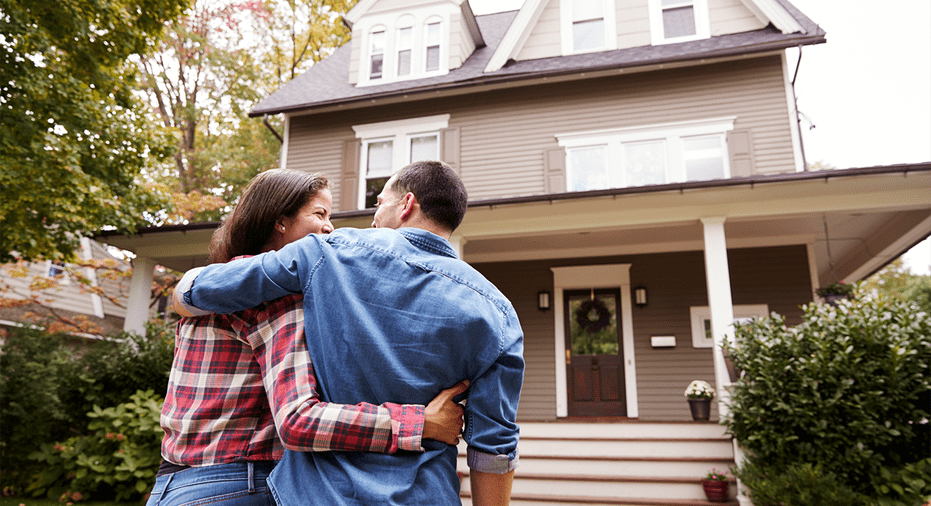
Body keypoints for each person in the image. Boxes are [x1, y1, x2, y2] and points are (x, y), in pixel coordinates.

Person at [174, 161, 524, 506]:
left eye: (379, 203)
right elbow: (494, 448)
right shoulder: (499, 313)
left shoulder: (326, 254)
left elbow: (208, 287)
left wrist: (183, 293)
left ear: (406, 205)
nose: (373, 217)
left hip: (323, 495)